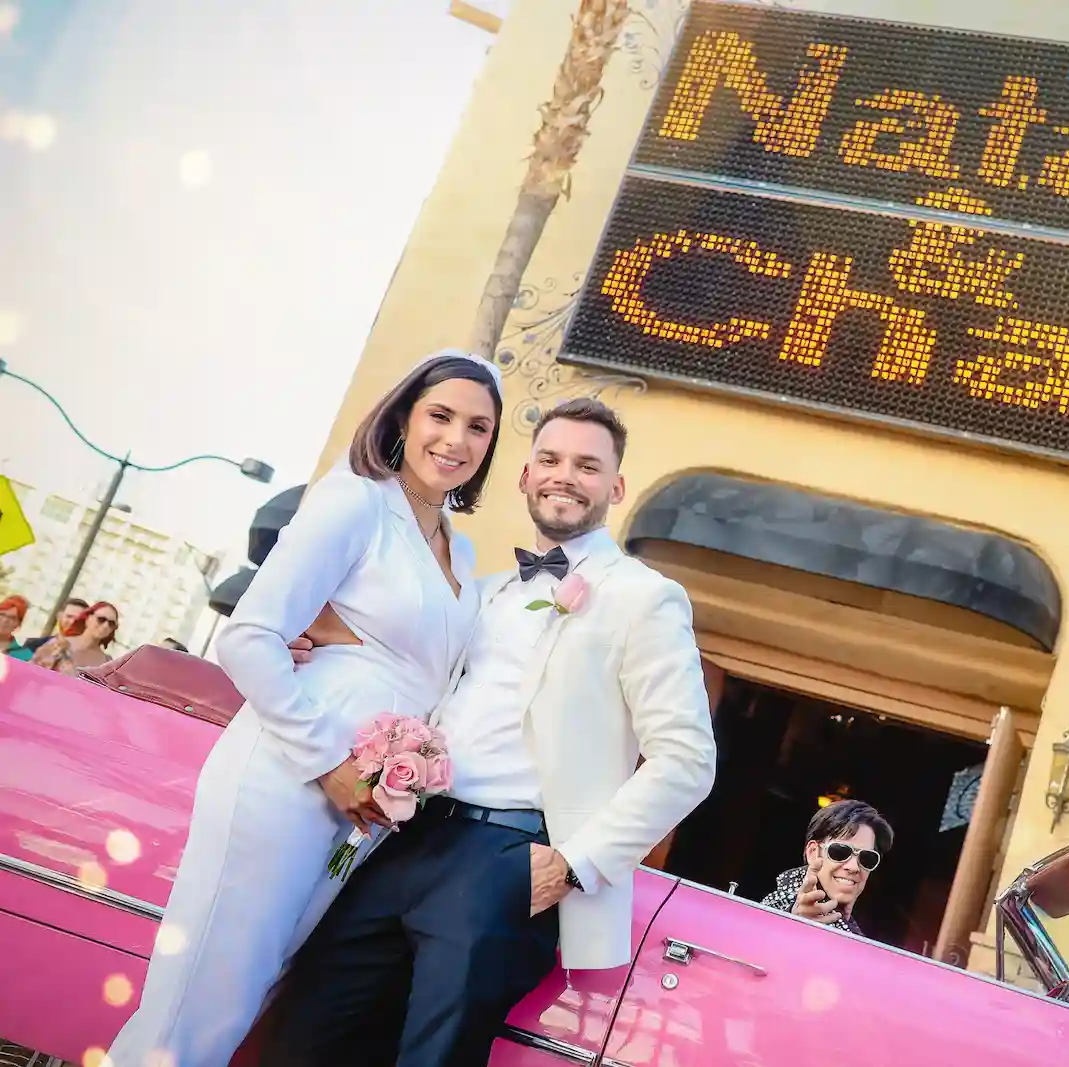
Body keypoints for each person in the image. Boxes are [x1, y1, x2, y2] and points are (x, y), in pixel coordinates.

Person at [261, 397, 716, 1067]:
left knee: (433, 1057)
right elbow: (406, 671)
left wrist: (573, 864)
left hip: (507, 858)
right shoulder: (483, 588)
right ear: (525, 477)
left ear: (615, 489)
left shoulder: (644, 597)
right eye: (552, 461)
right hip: (404, 838)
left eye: (588, 466)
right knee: (302, 1037)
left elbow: (686, 759)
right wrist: (311, 644)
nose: (566, 476)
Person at [105, 349, 504, 1067]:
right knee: (202, 994)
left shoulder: (462, 551)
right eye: (440, 415)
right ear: (403, 418)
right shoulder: (356, 498)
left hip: (362, 810)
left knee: (250, 991)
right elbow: (251, 636)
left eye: (478, 426)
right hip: (290, 773)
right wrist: (329, 763)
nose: (457, 439)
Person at [760, 800, 893, 937]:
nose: (854, 867)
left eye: (867, 858)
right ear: (813, 852)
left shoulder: (852, 930)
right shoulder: (775, 908)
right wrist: (793, 925)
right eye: (840, 852)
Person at [31, 600, 119, 675]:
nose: (105, 626)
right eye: (101, 619)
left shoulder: (107, 663)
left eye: (111, 624)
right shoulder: (59, 644)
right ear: (88, 618)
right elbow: (33, 672)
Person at [20, 596, 87, 655]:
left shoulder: (85, 659)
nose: (72, 622)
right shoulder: (33, 645)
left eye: (78, 619)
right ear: (59, 616)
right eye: (69, 616)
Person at [1, 595, 30, 659]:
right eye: (2, 614)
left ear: (18, 624)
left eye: (12, 618)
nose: (5, 620)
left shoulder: (23, 656)